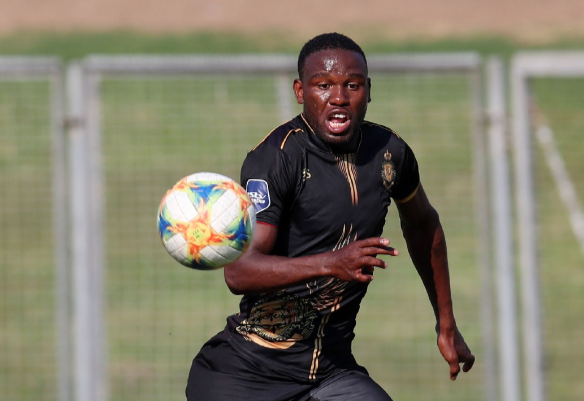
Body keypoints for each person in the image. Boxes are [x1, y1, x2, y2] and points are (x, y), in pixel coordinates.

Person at [186, 32, 475, 401]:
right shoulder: (278, 157)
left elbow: (423, 225)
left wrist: (446, 322)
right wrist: (330, 263)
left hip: (330, 373)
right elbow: (239, 271)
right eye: (323, 85)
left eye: (351, 85)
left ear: (368, 90)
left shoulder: (390, 154)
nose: (338, 98)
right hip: (246, 376)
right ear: (300, 91)